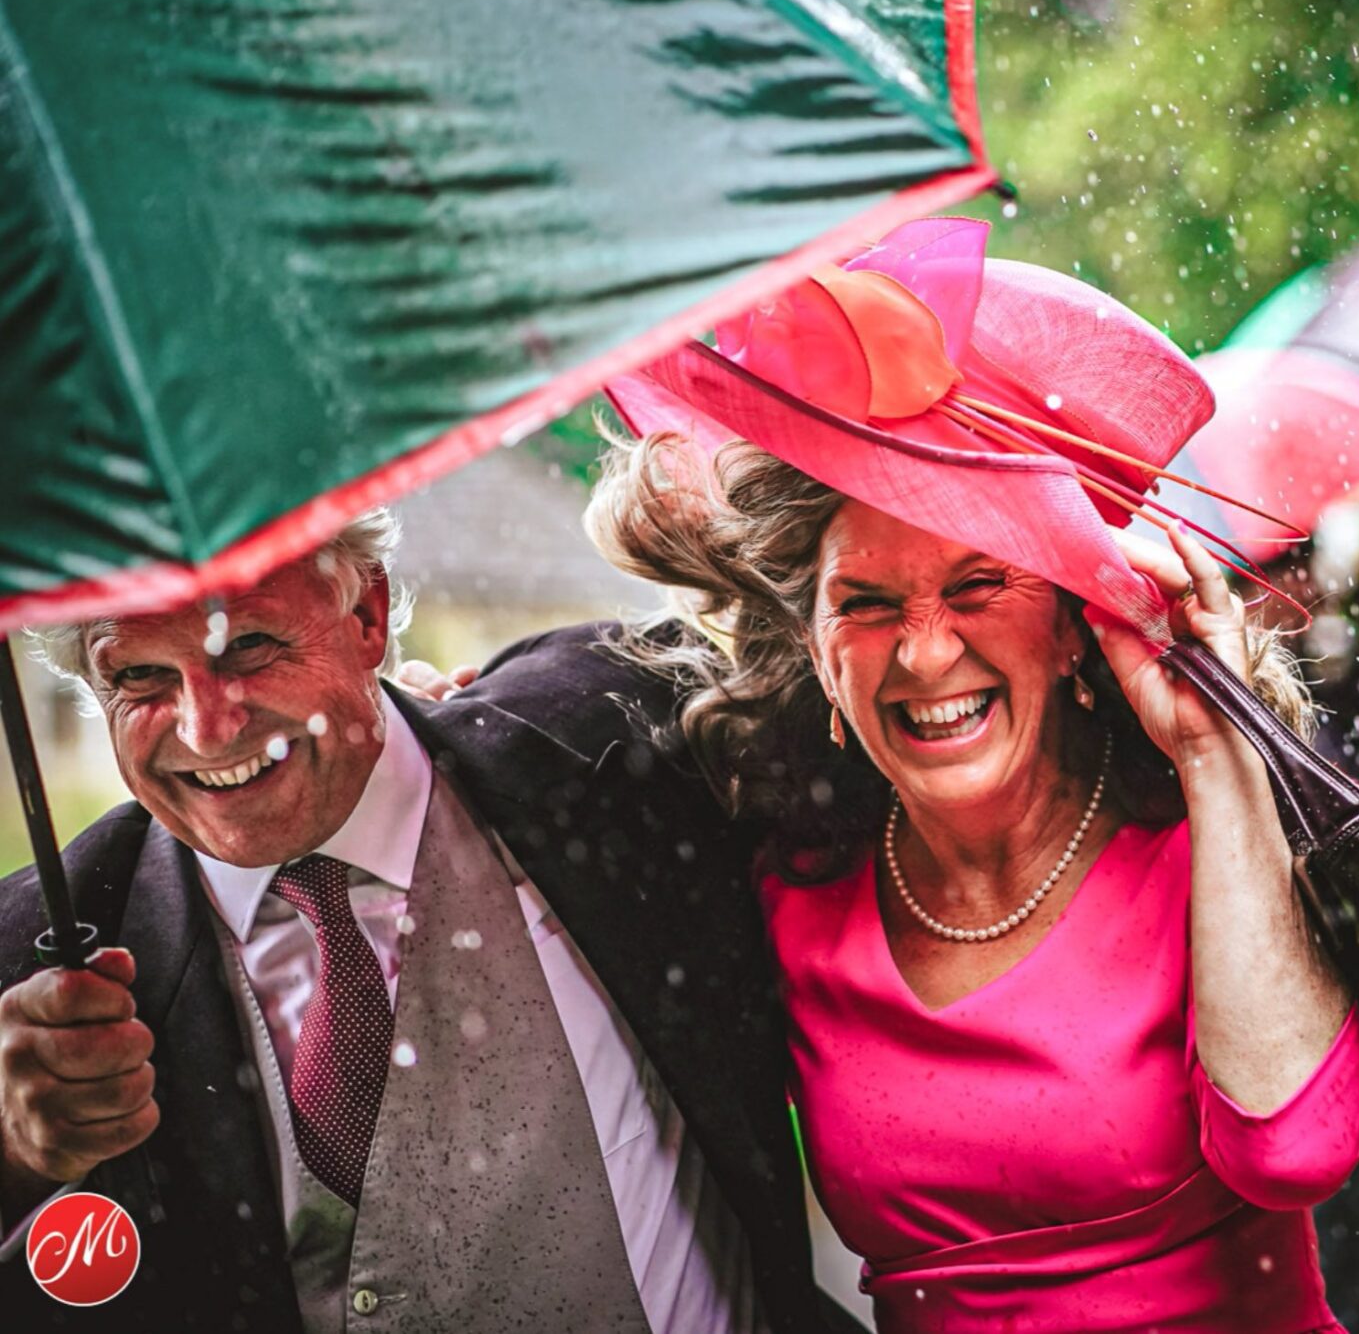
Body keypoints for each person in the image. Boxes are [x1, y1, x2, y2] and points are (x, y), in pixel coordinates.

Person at [587, 216, 1359, 1331]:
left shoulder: (1202, 845)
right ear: (813, 648)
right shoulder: (788, 883)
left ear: (1071, 629)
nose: (924, 652)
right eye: (864, 604)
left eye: (977, 588)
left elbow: (1294, 1153)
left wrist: (1214, 750)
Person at [0, 513, 859, 1333]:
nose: (206, 726)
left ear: (367, 613)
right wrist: (14, 1154)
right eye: (139, 677)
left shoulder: (614, 730)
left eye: (250, 647)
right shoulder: (36, 953)